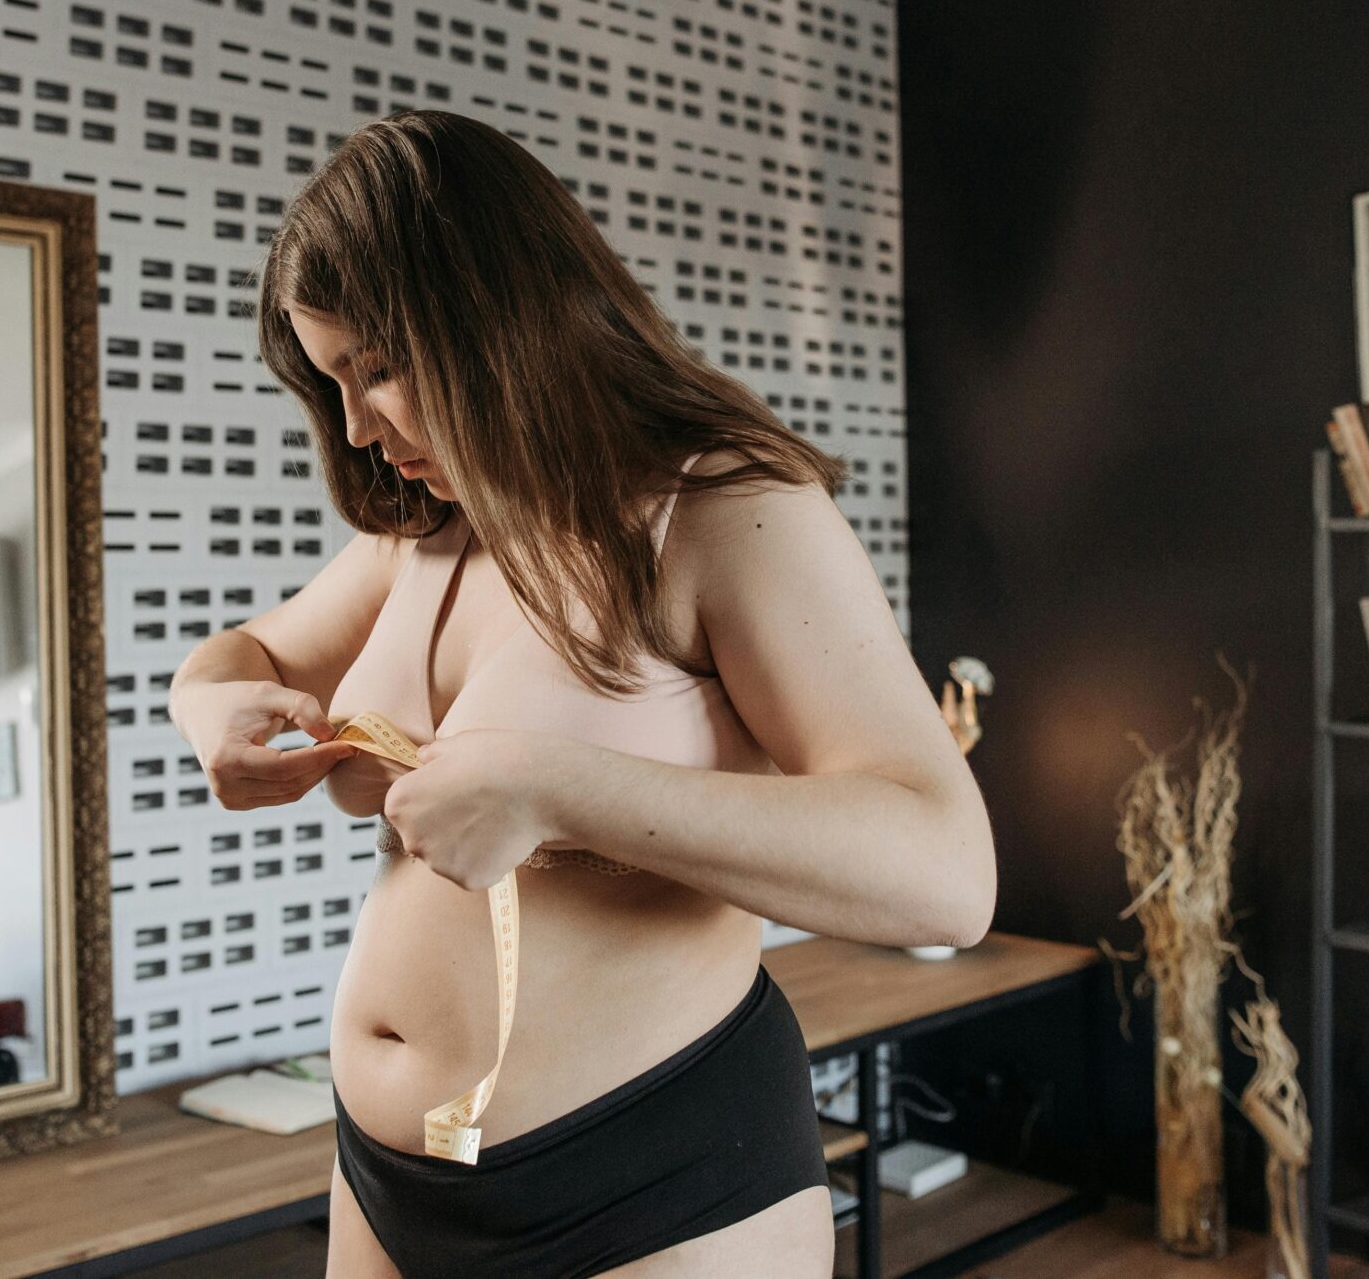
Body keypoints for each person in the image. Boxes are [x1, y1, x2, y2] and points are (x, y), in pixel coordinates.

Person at [167, 110, 996, 1279]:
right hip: (386, 1179)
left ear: (494, 317)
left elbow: (946, 873)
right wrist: (210, 711)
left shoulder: (722, 508)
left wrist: (561, 789)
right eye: (330, 378)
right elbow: (237, 652)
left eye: (375, 367)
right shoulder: (431, 534)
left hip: (652, 1186)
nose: (354, 424)